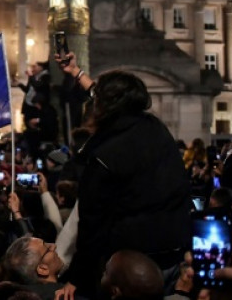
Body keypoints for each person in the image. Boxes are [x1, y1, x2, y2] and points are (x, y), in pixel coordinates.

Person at [56, 52, 191, 297]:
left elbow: (91, 225)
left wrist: (77, 278)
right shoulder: (156, 129)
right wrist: (77, 73)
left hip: (132, 265)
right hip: (173, 252)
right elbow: (108, 96)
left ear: (102, 107)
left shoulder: (105, 155)